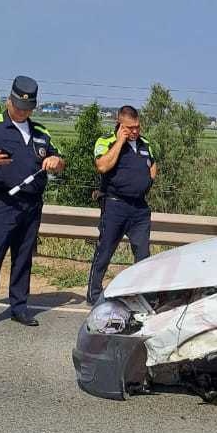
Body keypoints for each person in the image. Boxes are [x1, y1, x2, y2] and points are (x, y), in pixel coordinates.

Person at [0, 75, 65, 332]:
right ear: (9, 101)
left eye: (27, 108)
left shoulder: (41, 132)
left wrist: (56, 163)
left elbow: (59, 161)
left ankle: (19, 306)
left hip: (31, 205)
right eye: (18, 106)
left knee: (23, 259)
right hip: (2, 202)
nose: (21, 111)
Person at [86, 105, 158, 305]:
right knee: (105, 251)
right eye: (129, 128)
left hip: (140, 209)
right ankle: (93, 294)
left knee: (143, 255)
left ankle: (143, 295)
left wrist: (147, 181)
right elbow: (102, 166)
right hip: (115, 206)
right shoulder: (106, 141)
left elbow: (153, 165)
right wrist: (120, 141)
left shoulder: (145, 144)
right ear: (120, 124)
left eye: (137, 127)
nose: (135, 131)